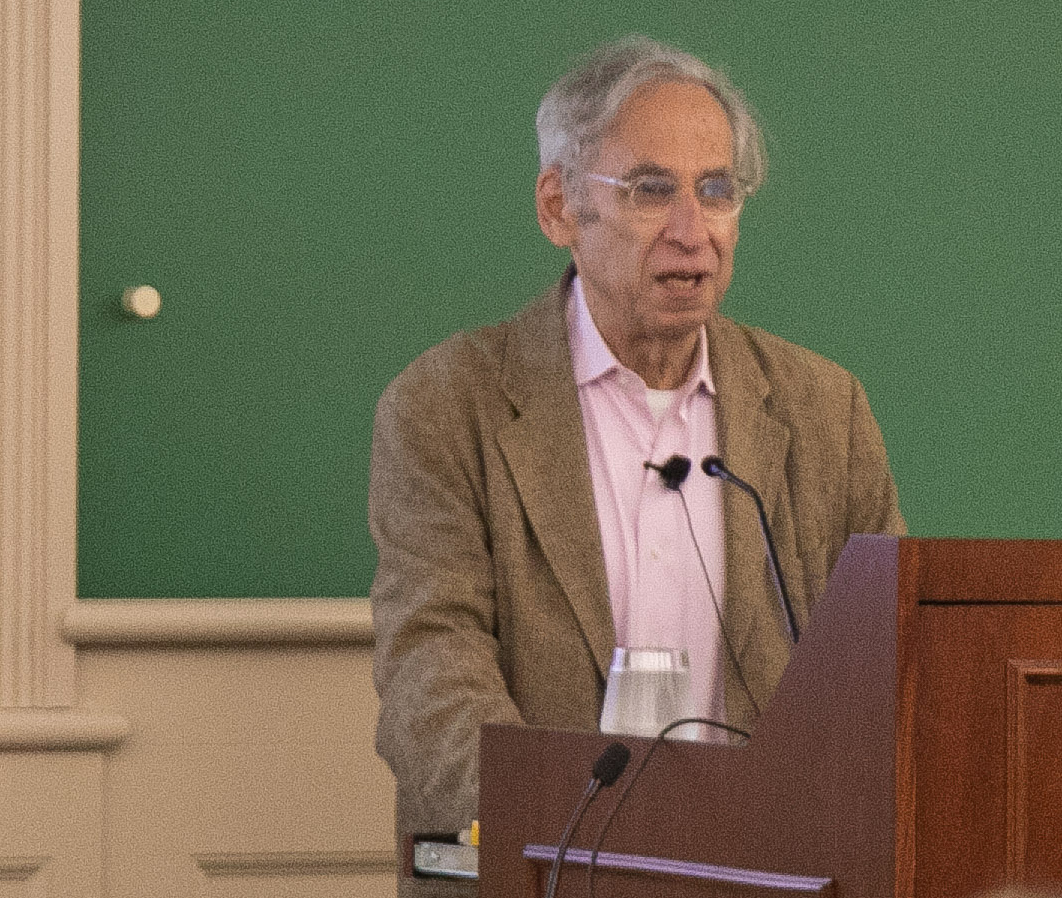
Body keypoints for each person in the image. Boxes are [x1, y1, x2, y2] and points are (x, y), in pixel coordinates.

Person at [369, 34, 904, 894]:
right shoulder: (449, 404)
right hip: (549, 871)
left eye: (717, 190)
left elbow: (883, 664)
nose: (693, 231)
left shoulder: (822, 409)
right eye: (652, 191)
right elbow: (431, 665)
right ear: (558, 208)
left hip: (771, 875)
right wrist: (556, 842)